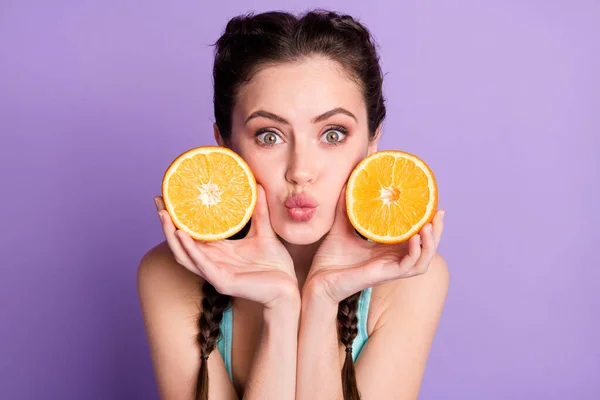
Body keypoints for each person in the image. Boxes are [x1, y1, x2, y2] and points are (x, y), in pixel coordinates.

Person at [137, 8, 449, 400]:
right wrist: (280, 310)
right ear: (225, 145)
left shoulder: (408, 276)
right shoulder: (168, 272)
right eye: (269, 136)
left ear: (372, 142)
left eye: (333, 134)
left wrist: (322, 300)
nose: (301, 171)